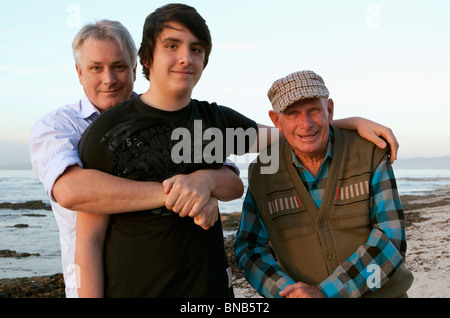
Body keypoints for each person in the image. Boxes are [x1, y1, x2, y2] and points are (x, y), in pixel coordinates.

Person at [76, 4, 401, 298]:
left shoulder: (217, 123)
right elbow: (89, 239)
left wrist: (350, 123)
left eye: (196, 48)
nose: (186, 58)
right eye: (172, 46)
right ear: (146, 58)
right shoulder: (108, 133)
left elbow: (291, 132)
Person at [29, 19, 244, 298]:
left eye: (119, 66)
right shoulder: (59, 126)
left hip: (189, 281)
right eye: (96, 68)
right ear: (79, 72)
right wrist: (177, 194)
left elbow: (231, 181)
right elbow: (72, 191)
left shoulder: (171, 113)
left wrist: (205, 180)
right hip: (98, 287)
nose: (109, 79)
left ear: (134, 69)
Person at [235, 70, 414, 298]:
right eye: (292, 114)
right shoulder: (263, 170)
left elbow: (391, 239)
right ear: (275, 120)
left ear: (329, 110)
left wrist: (327, 293)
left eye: (314, 110)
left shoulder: (369, 153)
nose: (306, 124)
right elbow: (249, 247)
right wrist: (285, 291)